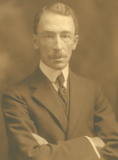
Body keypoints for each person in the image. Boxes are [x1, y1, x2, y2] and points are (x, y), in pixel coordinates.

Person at [2, 3, 118, 160]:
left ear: (75, 42)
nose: (58, 46)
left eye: (65, 36)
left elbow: (115, 147)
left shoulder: (93, 91)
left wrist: (47, 150)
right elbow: (31, 155)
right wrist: (90, 143)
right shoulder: (16, 97)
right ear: (36, 41)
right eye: (49, 36)